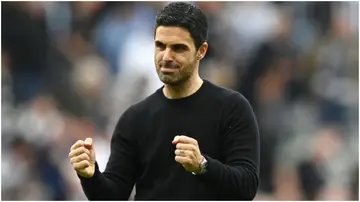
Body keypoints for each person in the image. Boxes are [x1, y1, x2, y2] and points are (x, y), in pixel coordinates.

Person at [69, 2, 260, 200]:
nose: (166, 57)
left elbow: (247, 187)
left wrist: (203, 165)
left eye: (178, 48)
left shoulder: (232, 108)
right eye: (160, 46)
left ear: (201, 51)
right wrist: (90, 176)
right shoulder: (135, 118)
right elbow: (113, 196)